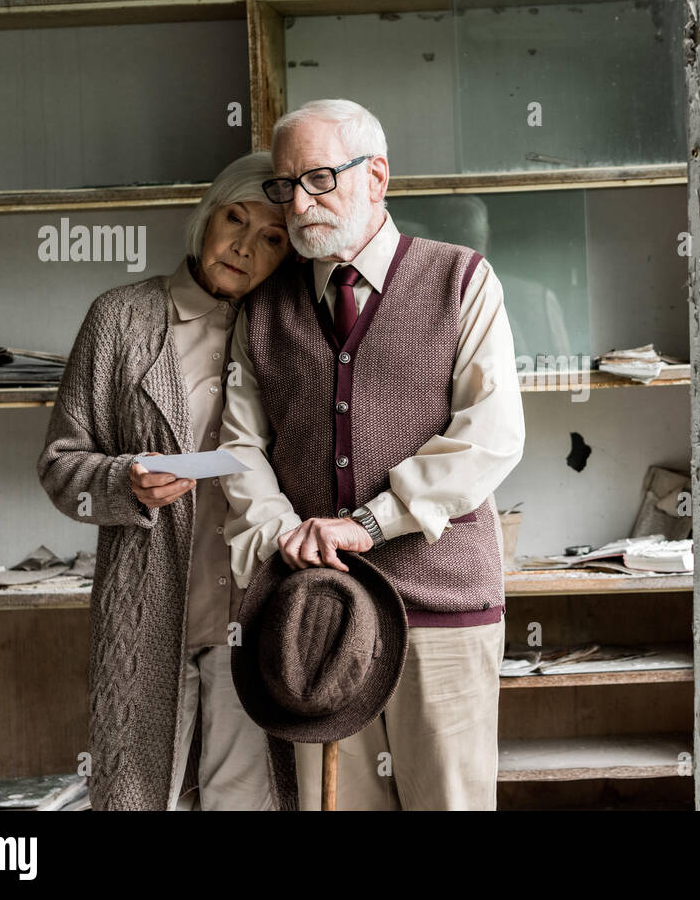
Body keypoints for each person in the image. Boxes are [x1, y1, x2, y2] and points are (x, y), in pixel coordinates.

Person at [221, 98, 525, 810]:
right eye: (285, 184)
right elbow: (238, 444)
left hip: (442, 608)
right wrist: (278, 534)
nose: (298, 202)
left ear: (377, 176)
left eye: (320, 178)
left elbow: (493, 431)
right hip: (317, 612)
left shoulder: (461, 280)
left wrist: (373, 523)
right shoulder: (263, 309)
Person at [37, 152, 293, 810]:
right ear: (207, 217)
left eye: (272, 237)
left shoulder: (289, 332)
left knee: (249, 798)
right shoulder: (120, 317)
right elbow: (62, 464)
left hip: (256, 613)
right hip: (147, 611)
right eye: (234, 219)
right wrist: (125, 480)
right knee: (138, 795)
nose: (243, 246)